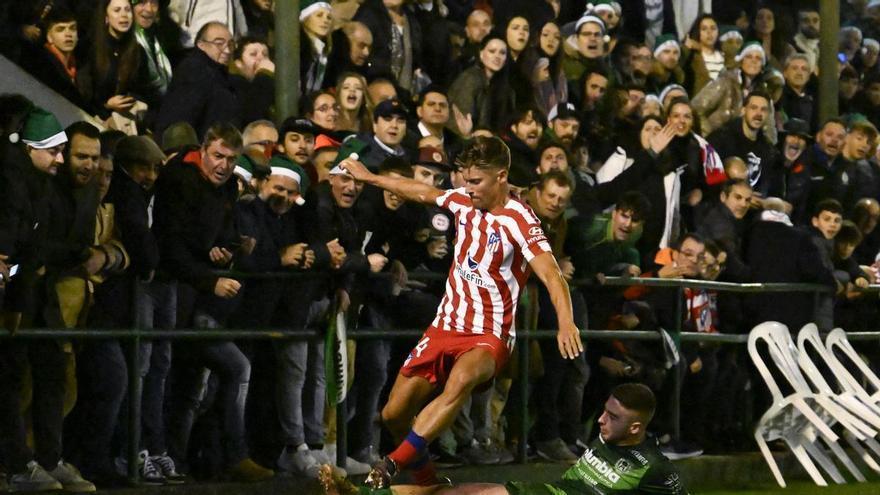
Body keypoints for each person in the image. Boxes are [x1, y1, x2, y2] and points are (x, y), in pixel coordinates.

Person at [338, 135, 583, 489]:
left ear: (501, 176)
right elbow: (417, 191)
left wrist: (566, 322)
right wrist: (370, 177)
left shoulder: (519, 220)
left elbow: (551, 274)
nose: (468, 189)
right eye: (465, 180)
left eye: (476, 182)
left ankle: (392, 463)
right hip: (446, 325)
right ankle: (428, 481)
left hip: (489, 333)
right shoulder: (462, 201)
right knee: (394, 414)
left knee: (461, 380)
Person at [321, 383, 688, 494]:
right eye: (605, 410)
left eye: (614, 416)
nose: (602, 419)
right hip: (550, 492)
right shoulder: (608, 436)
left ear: (637, 428)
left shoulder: (653, 467)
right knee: (450, 492)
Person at [154, 21, 241, 138]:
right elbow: (181, 117)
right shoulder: (195, 71)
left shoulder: (218, 73)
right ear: (201, 44)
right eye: (219, 43)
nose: (227, 50)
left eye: (230, 44)